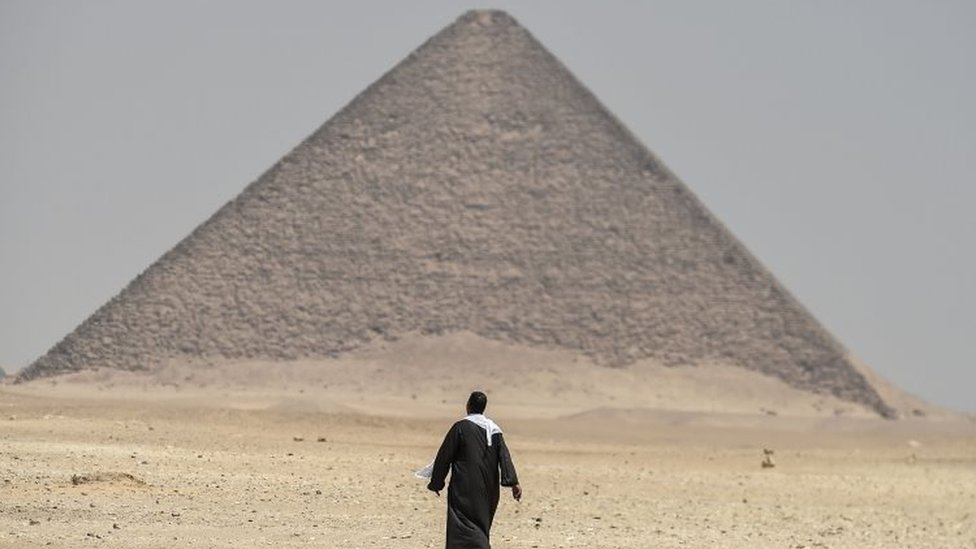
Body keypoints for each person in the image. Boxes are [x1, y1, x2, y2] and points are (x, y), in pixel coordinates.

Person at [426, 391, 521, 548]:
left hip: (463, 488)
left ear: (468, 406)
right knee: (481, 525)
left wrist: (436, 483)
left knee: (461, 524)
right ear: (484, 408)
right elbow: (504, 457)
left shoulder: (460, 427)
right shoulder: (494, 430)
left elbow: (444, 456)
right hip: (488, 490)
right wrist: (514, 483)